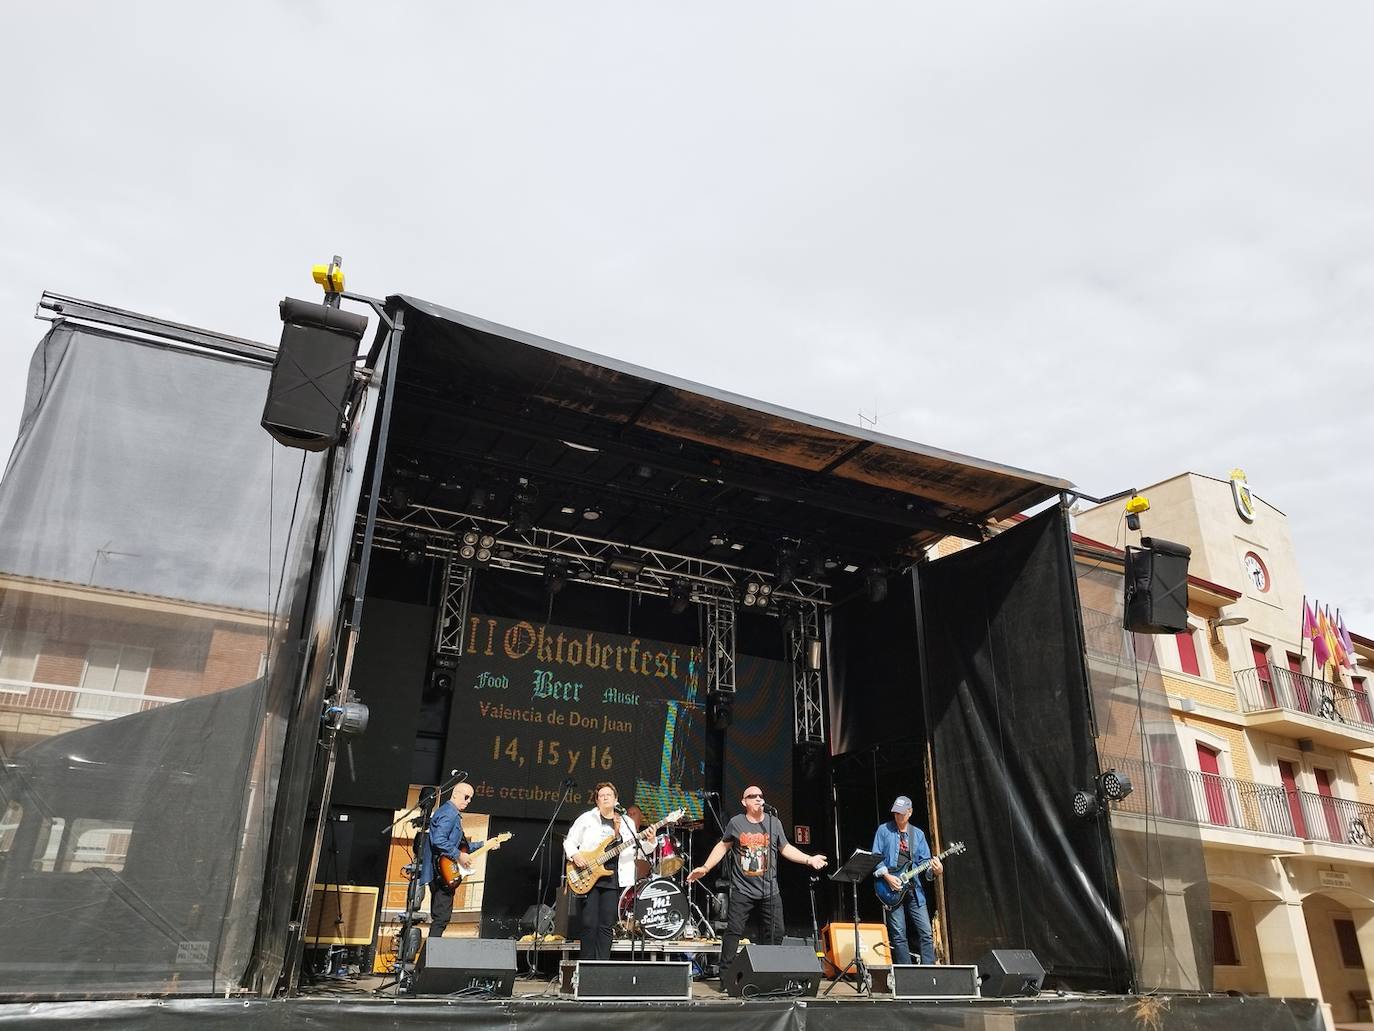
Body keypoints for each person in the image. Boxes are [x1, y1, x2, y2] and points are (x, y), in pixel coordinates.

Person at [686, 785, 827, 979]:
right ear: (744, 802)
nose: (758, 799)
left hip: (770, 889)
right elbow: (722, 846)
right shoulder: (736, 823)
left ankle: (769, 972)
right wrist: (705, 868)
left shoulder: (773, 822)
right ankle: (726, 976)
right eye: (753, 796)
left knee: (776, 932)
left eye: (761, 796)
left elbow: (785, 848)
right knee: (734, 931)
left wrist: (809, 859)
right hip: (743, 889)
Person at [564, 782, 652, 961]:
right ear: (597, 801)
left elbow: (639, 847)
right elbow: (569, 841)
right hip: (588, 874)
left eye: (609, 795)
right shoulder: (587, 819)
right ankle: (586, 966)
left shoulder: (626, 821)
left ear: (616, 799)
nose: (605, 798)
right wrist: (575, 855)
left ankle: (601, 967)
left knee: (606, 925)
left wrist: (650, 841)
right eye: (601, 796)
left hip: (613, 877)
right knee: (589, 923)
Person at [871, 794, 942, 965]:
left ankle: (929, 972)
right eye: (895, 813)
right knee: (898, 933)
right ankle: (905, 973)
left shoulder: (917, 834)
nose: (898, 816)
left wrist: (936, 870)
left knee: (926, 932)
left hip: (914, 889)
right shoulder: (884, 830)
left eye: (901, 813)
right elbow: (875, 857)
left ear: (909, 813)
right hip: (891, 888)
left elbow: (925, 863)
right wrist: (887, 877)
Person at [422, 782, 485, 939]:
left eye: (470, 798)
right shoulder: (449, 814)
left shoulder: (451, 813)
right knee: (441, 918)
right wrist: (458, 855)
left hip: (442, 870)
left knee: (441, 917)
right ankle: (428, 959)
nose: (468, 801)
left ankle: (427, 958)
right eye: (466, 797)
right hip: (442, 872)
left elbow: (462, 846)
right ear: (455, 794)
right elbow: (439, 840)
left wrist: (485, 844)